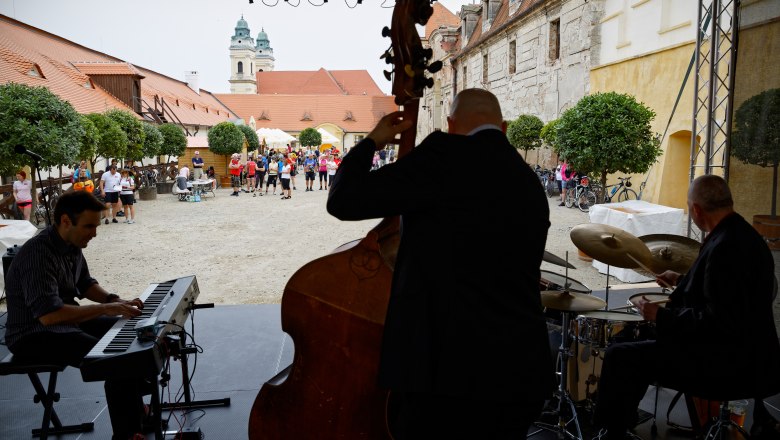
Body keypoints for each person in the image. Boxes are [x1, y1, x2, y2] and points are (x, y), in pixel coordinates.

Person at [327, 88, 554, 439]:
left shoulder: (442, 156)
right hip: (519, 370)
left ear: (450, 125)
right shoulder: (528, 180)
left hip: (446, 376)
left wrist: (372, 141)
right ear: (504, 128)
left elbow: (343, 200)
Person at [593, 174, 780, 440]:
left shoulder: (726, 248)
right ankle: (623, 419)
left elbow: (718, 322)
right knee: (629, 340)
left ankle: (609, 432)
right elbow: (726, 294)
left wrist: (661, 315)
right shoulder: (741, 234)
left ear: (696, 210)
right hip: (751, 352)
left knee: (619, 356)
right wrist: (682, 280)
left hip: (728, 363)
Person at [3, 190, 149, 440]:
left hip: (64, 324)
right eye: (89, 226)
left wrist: (115, 301)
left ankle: (139, 416)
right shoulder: (38, 254)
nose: (94, 233)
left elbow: (85, 283)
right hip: (33, 334)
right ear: (65, 221)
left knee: (129, 336)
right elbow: (49, 316)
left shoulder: (71, 244)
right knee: (116, 362)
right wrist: (106, 309)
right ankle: (127, 433)